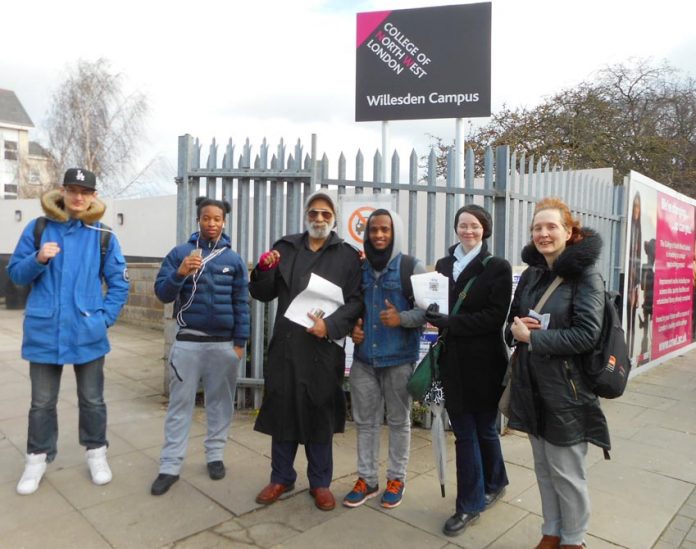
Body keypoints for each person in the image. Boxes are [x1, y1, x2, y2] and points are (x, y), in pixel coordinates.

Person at [8, 168, 130, 495]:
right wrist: (38, 258)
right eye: (72, 189)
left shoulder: (102, 235)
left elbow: (119, 283)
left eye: (85, 191)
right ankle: (36, 459)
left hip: (87, 331)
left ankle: (96, 453)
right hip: (44, 331)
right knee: (41, 402)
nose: (78, 197)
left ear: (93, 195)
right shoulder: (38, 229)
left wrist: (103, 319)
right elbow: (17, 275)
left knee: (92, 400)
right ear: (62, 191)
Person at [507, 197, 610, 549]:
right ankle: (551, 531)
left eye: (551, 227)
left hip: (568, 390)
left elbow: (587, 334)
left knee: (567, 472)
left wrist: (534, 339)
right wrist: (517, 329)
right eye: (537, 228)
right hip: (531, 384)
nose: (543, 233)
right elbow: (511, 326)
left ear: (569, 231)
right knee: (544, 468)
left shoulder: (586, 276)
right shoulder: (532, 275)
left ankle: (574, 539)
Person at [250, 191, 362, 511]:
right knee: (283, 409)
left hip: (323, 349)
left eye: (326, 214)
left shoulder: (348, 256)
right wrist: (263, 269)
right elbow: (263, 292)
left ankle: (320, 483)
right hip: (287, 345)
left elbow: (355, 300)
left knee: (319, 414)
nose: (319, 219)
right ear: (306, 216)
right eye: (314, 213)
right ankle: (281, 477)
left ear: (335, 219)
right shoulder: (284, 248)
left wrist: (330, 326)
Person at [150, 197, 250, 495]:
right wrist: (180, 272)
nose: (211, 223)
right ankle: (170, 466)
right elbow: (162, 294)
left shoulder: (233, 260)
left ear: (224, 222)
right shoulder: (180, 253)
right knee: (180, 406)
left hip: (223, 346)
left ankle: (215, 455)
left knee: (220, 404)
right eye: (206, 218)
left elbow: (241, 304)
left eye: (217, 218)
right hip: (188, 342)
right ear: (198, 220)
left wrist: (240, 343)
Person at [424, 204, 511, 536]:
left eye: (474, 226)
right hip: (453, 362)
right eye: (463, 225)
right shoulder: (444, 265)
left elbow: (494, 317)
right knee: (466, 432)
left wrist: (452, 322)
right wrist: (430, 310)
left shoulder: (497, 267)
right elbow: (438, 303)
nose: (468, 231)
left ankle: (470, 504)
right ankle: (492, 484)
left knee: (483, 430)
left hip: (485, 361)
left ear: (484, 229)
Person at [344, 209, 426, 509]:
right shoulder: (360, 269)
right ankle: (367, 478)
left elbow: (429, 312)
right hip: (365, 360)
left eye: (385, 230)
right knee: (365, 421)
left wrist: (401, 318)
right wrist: (353, 327)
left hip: (398, 360)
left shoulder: (410, 266)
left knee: (398, 421)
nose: (378, 235)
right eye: (373, 230)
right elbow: (353, 307)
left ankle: (396, 478)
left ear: (395, 233)